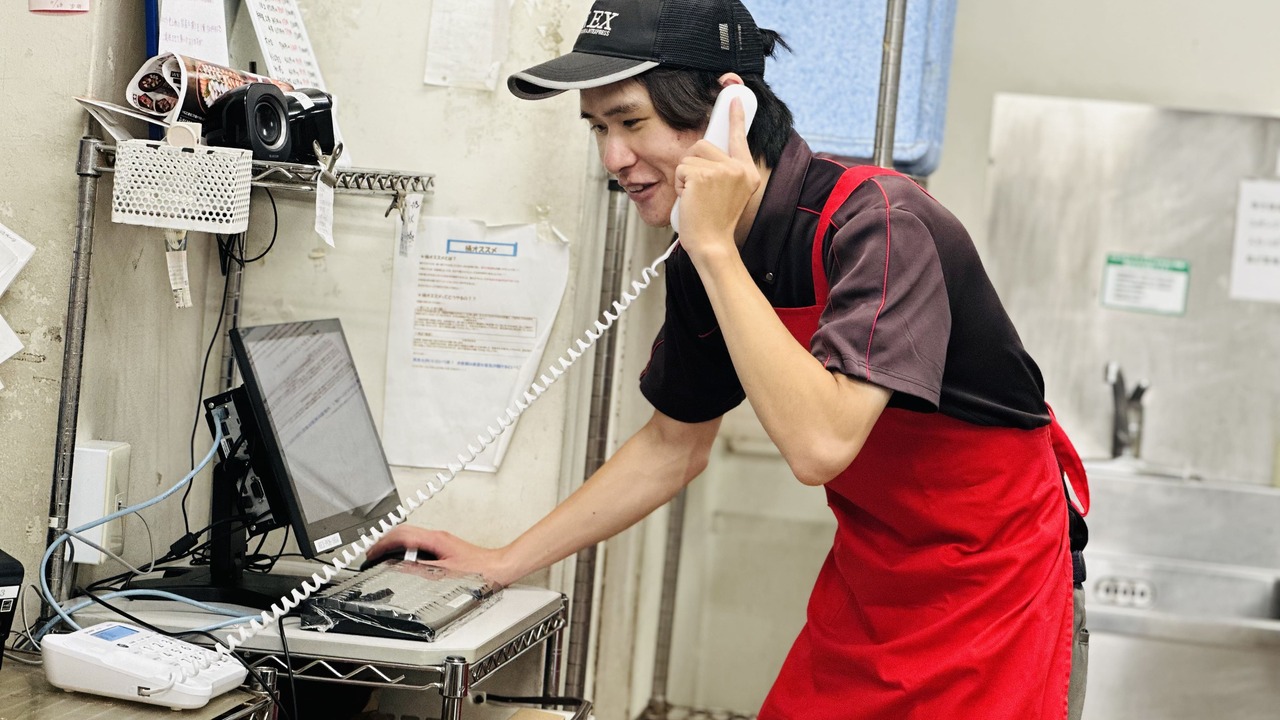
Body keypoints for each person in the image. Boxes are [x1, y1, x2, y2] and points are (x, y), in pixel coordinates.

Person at [368, 1, 1091, 717]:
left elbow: (821, 445)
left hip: (995, 580)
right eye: (597, 129)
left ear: (727, 113)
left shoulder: (879, 223)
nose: (613, 159)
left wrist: (712, 248)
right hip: (876, 574)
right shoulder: (705, 259)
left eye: (630, 122)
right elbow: (672, 445)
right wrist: (501, 562)